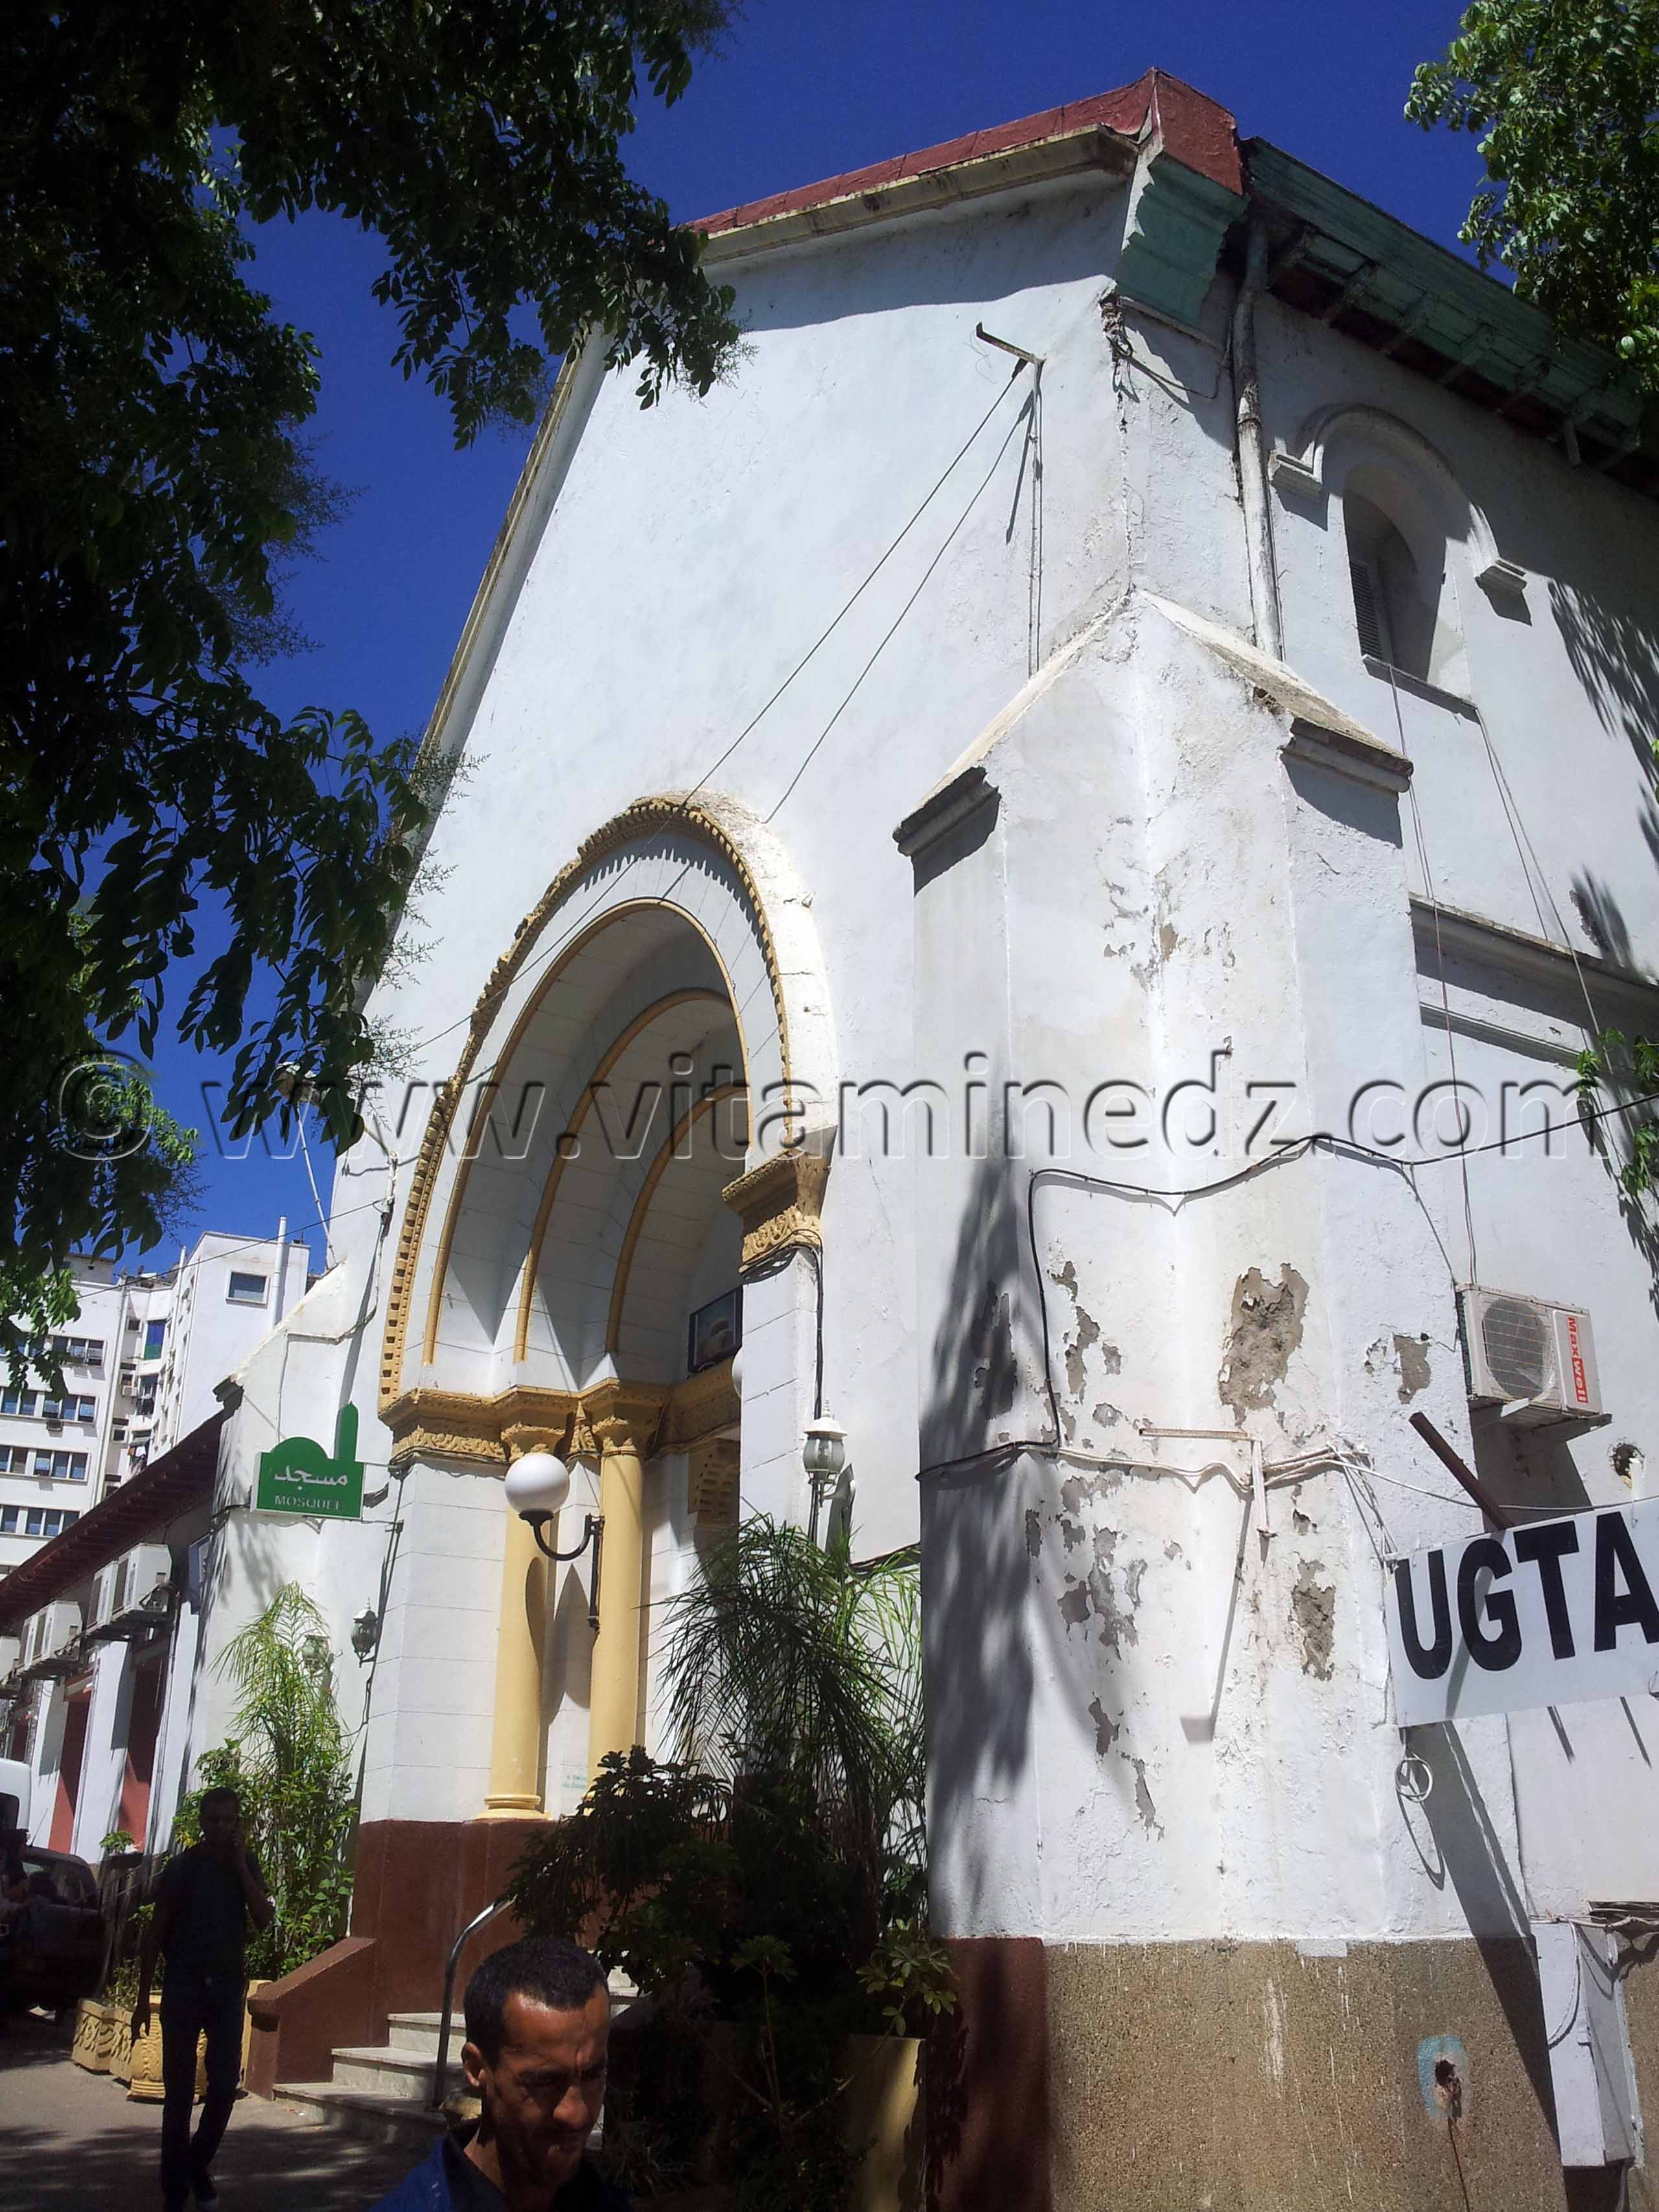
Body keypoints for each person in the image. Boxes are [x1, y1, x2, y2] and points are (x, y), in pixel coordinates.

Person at [369, 1937, 629, 2211]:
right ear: (476, 2069)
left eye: (592, 2075)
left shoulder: (606, 2201)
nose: (575, 2114)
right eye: (545, 2082)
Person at [132, 1786, 274, 2212]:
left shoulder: (245, 1865)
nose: (220, 1827)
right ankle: (174, 2193)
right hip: (183, 1988)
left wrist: (242, 1868)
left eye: (228, 1819)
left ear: (237, 1823)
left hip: (227, 1990)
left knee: (225, 2086)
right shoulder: (182, 1868)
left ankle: (195, 2165)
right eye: (213, 1820)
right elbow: (155, 1933)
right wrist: (142, 1996)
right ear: (202, 1823)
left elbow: (264, 1918)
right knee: (178, 2096)